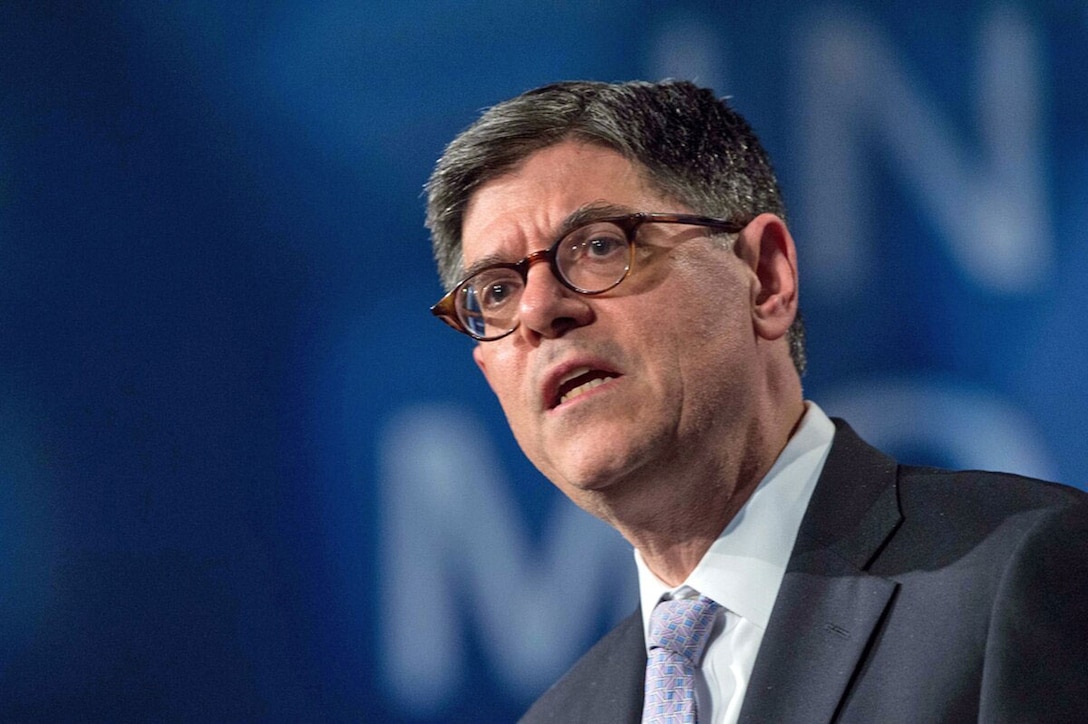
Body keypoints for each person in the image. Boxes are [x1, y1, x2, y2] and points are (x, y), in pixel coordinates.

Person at [424, 80, 1088, 723]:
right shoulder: (561, 716)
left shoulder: (1022, 574)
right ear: (488, 370)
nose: (540, 309)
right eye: (497, 293)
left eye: (599, 245)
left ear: (766, 278)